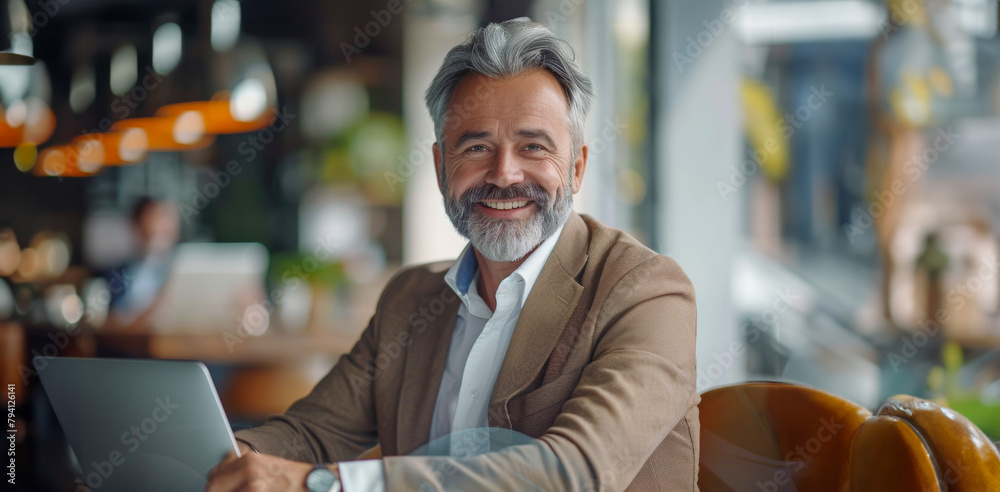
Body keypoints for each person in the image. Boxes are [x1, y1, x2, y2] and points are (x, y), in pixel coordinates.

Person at [207, 18, 698, 491]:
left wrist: (326, 483)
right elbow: (311, 435)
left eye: (532, 147)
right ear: (442, 168)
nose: (504, 174)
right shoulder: (408, 299)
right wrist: (224, 464)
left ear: (575, 169)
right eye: (477, 147)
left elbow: (575, 473)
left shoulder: (647, 292)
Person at [104, 197, 180, 331]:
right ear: (136, 225)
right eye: (154, 218)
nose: (161, 226)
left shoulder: (181, 270)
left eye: (165, 219)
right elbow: (107, 323)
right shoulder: (114, 274)